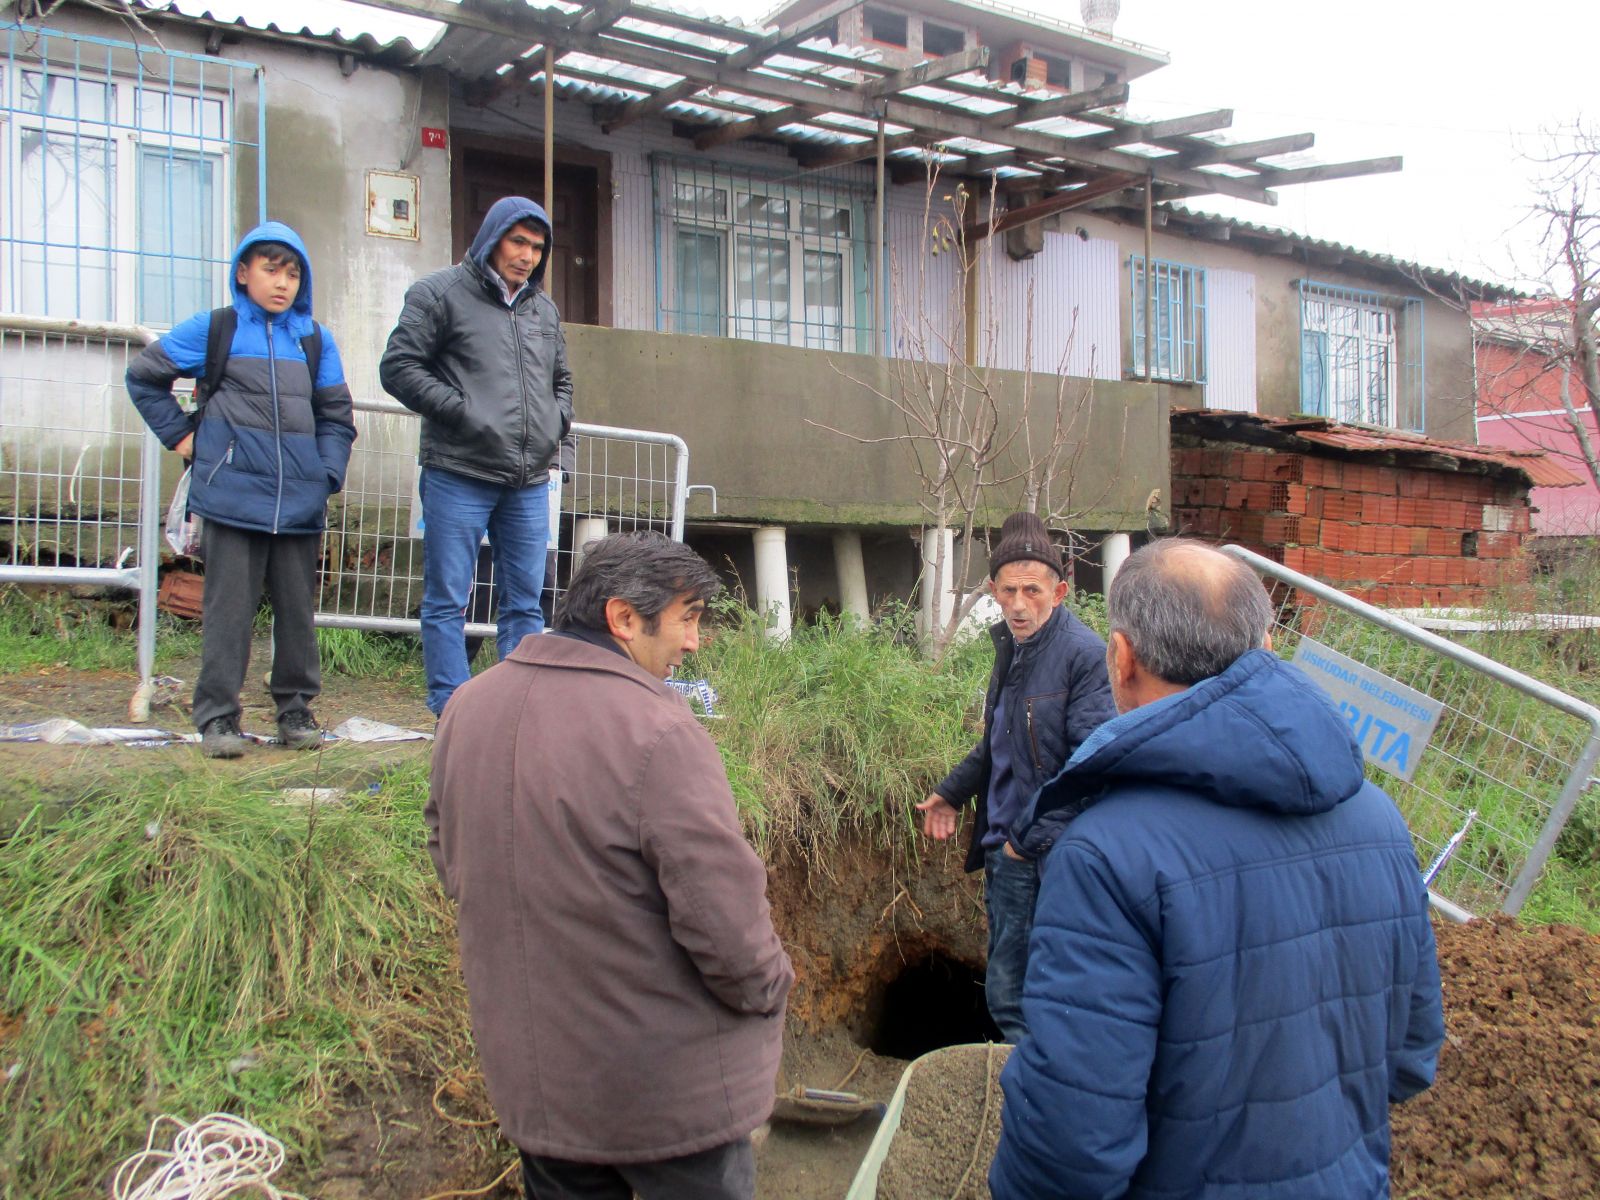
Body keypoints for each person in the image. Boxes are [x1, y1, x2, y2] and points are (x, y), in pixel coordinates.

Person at [990, 539, 1444, 1200]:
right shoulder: (1378, 820)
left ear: (1121, 658)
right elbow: (1410, 1056)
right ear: (1263, 647)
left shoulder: (1107, 855)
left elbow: (1072, 1146)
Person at [426, 531, 793, 1200]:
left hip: (538, 1089)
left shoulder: (466, 709)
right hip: (666, 1097)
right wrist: (770, 988)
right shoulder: (658, 731)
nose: (693, 642)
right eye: (687, 618)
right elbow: (726, 924)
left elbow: (448, 852)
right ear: (623, 618)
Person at [126, 222, 356, 758]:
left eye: (293, 272)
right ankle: (218, 718)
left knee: (298, 613)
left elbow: (337, 417)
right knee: (228, 611)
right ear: (243, 273)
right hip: (230, 498)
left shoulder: (315, 340)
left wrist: (325, 474)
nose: (283, 282)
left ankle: (295, 710)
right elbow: (144, 376)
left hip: (300, 501)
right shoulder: (217, 330)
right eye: (272, 269)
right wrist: (185, 439)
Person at [915, 512, 1116, 1043]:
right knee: (1011, 991)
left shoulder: (1084, 656)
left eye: (1033, 590)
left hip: (1042, 853)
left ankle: (1028, 1111)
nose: (1021, 603)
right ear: (992, 591)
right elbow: (1000, 739)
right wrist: (953, 792)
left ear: (1061, 590)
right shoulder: (1013, 646)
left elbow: (1090, 768)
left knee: (1018, 997)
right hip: (1007, 845)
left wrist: (1024, 845)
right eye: (1010, 591)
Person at [380, 195, 574, 717]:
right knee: (447, 599)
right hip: (458, 472)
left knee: (526, 601)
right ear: (492, 237)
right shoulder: (439, 294)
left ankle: (517, 710)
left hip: (529, 480)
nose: (527, 256)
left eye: (537, 247)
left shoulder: (543, 310)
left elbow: (562, 382)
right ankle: (452, 707)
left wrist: (556, 432)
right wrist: (463, 413)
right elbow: (398, 367)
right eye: (518, 242)